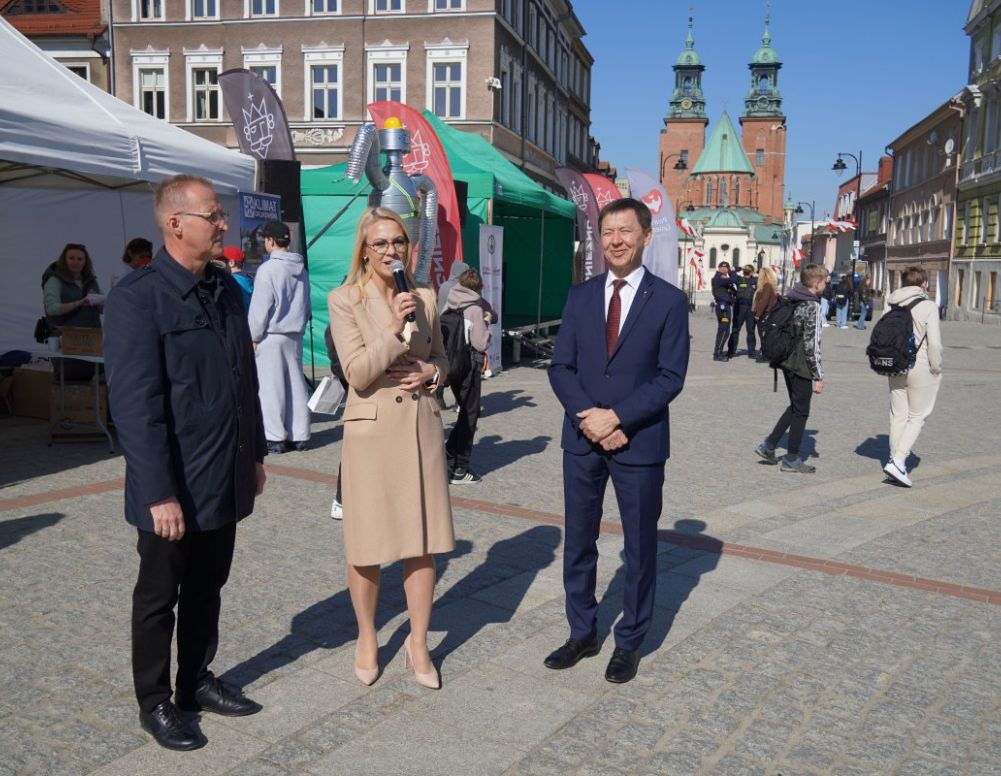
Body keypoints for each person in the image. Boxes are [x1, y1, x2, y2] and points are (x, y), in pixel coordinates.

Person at [103, 175, 266, 752]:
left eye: (221, 215)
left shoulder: (223, 289)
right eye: (213, 215)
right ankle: (155, 701)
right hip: (171, 483)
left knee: (207, 586)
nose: (224, 224)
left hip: (223, 471)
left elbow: (243, 381)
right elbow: (134, 407)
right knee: (158, 596)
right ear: (175, 223)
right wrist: (157, 493)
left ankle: (194, 680)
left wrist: (256, 453)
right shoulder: (137, 298)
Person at [547, 198, 689, 684]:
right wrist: (588, 418)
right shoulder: (580, 296)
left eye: (625, 231)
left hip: (639, 441)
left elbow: (670, 377)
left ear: (645, 236)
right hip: (582, 439)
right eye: (607, 232)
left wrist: (617, 417)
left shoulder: (668, 301)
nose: (616, 240)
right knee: (578, 542)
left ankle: (629, 641)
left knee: (640, 547)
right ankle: (582, 632)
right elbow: (561, 366)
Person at [327, 206, 454, 690]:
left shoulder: (425, 296)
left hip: (420, 428)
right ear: (364, 250)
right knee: (367, 544)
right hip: (371, 433)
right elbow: (358, 374)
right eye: (379, 243)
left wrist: (432, 372)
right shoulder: (345, 299)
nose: (390, 250)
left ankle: (418, 642)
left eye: (398, 241)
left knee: (421, 543)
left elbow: (442, 358)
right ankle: (366, 636)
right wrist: (393, 330)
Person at [755, 263, 828, 473]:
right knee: (801, 411)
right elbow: (812, 343)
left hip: (786, 359)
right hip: (800, 364)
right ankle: (791, 459)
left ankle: (769, 445)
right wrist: (818, 375)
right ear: (816, 284)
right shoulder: (812, 306)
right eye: (824, 282)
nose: (826, 285)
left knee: (796, 406)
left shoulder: (793, 298)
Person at [248, 220, 312, 454]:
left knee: (271, 388)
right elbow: (306, 305)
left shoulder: (268, 269)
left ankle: (275, 437)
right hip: (295, 334)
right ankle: (300, 434)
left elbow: (260, 308)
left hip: (271, 335)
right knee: (296, 386)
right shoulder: (301, 269)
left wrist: (253, 336)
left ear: (271, 241)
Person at [882, 267, 943, 487]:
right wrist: (936, 367)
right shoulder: (928, 306)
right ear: (923, 284)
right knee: (917, 416)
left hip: (895, 364)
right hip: (920, 366)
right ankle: (898, 461)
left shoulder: (891, 302)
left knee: (898, 415)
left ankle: (893, 459)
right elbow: (934, 343)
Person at [443, 267, 492, 484]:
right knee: (470, 416)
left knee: (465, 413)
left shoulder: (450, 300)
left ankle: (449, 455)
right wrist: (486, 322)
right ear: (479, 287)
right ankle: (459, 468)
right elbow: (480, 342)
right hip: (468, 366)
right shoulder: (474, 308)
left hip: (452, 364)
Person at [42, 242, 103, 381]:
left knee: (93, 381)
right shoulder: (54, 280)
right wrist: (79, 303)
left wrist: (99, 303)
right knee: (69, 380)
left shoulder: (90, 281)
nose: (76, 262)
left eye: (80, 259)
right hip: (67, 341)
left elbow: (103, 308)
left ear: (85, 262)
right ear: (64, 260)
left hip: (91, 341)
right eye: (71, 258)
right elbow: (52, 308)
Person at [728, 263, 758, 358]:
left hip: (750, 308)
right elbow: (731, 273)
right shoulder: (739, 279)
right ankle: (731, 351)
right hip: (739, 306)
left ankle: (751, 352)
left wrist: (756, 272)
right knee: (735, 329)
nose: (747, 271)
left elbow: (763, 275)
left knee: (751, 330)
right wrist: (739, 268)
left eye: (749, 270)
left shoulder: (755, 280)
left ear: (752, 272)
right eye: (746, 270)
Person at [752, 266, 780, 363]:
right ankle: (766, 353)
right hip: (769, 313)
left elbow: (764, 301)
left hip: (765, 313)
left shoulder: (767, 286)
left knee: (763, 334)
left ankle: (766, 355)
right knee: (765, 334)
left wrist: (758, 314)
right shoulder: (770, 285)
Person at [711, 261, 736, 361]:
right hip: (723, 308)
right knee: (724, 329)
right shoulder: (719, 278)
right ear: (721, 268)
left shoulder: (722, 278)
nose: (727, 270)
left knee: (725, 330)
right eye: (725, 268)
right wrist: (732, 271)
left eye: (728, 268)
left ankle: (719, 351)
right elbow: (734, 280)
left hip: (725, 306)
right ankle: (717, 353)